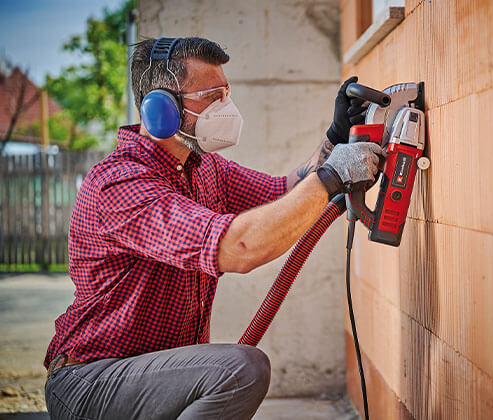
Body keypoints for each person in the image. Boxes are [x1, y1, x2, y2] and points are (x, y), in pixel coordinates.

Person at [43, 37, 381, 419]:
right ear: (160, 108)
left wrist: (335, 138)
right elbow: (239, 248)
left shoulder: (205, 169)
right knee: (239, 369)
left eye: (227, 92)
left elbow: (286, 192)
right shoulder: (121, 184)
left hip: (153, 375)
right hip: (91, 382)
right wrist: (332, 177)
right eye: (212, 95)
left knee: (235, 368)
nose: (227, 106)